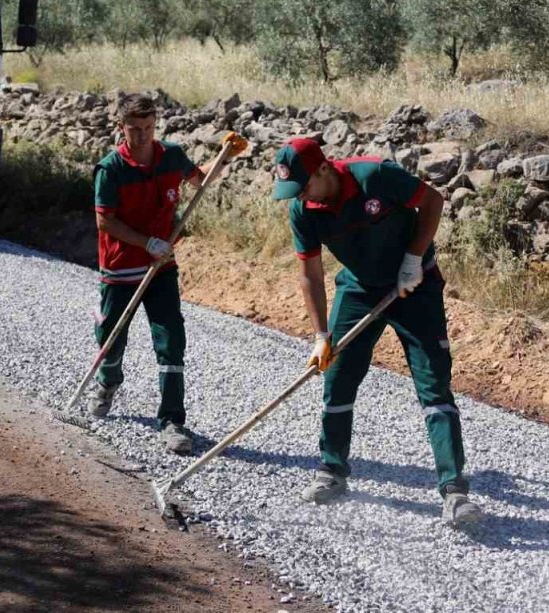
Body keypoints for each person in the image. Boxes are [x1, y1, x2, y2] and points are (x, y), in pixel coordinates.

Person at [272, 137, 481, 526]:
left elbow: (432, 200)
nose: (299, 197)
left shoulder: (376, 175)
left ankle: (454, 491)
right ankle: (332, 471)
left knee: (433, 381)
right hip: (359, 290)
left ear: (323, 169)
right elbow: (310, 275)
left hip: (414, 284)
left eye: (302, 187)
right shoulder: (304, 210)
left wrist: (414, 258)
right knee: (338, 376)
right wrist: (321, 335)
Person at [89, 93, 241, 455]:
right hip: (121, 267)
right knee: (111, 335)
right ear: (120, 128)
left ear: (155, 126)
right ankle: (108, 380)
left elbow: (200, 181)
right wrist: (147, 243)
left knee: (170, 338)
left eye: (148, 128)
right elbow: (104, 220)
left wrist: (226, 158)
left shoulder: (171, 156)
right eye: (134, 129)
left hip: (161, 267)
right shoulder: (111, 169)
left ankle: (172, 421)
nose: (142, 136)